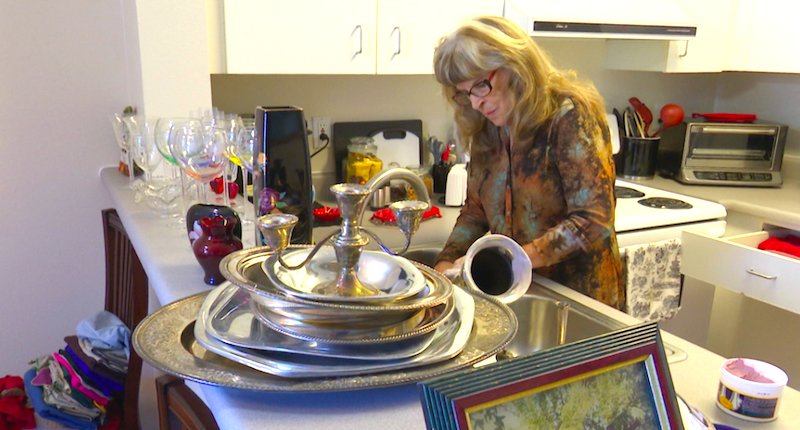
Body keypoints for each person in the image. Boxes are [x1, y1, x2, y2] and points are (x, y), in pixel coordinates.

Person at [432, 16, 624, 310]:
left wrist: (514, 259)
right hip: (518, 292)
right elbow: (475, 212)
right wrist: (446, 262)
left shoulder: (569, 115)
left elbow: (593, 220)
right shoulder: (486, 128)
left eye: (481, 85)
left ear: (515, 66)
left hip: (580, 299)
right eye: (464, 92)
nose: (475, 103)